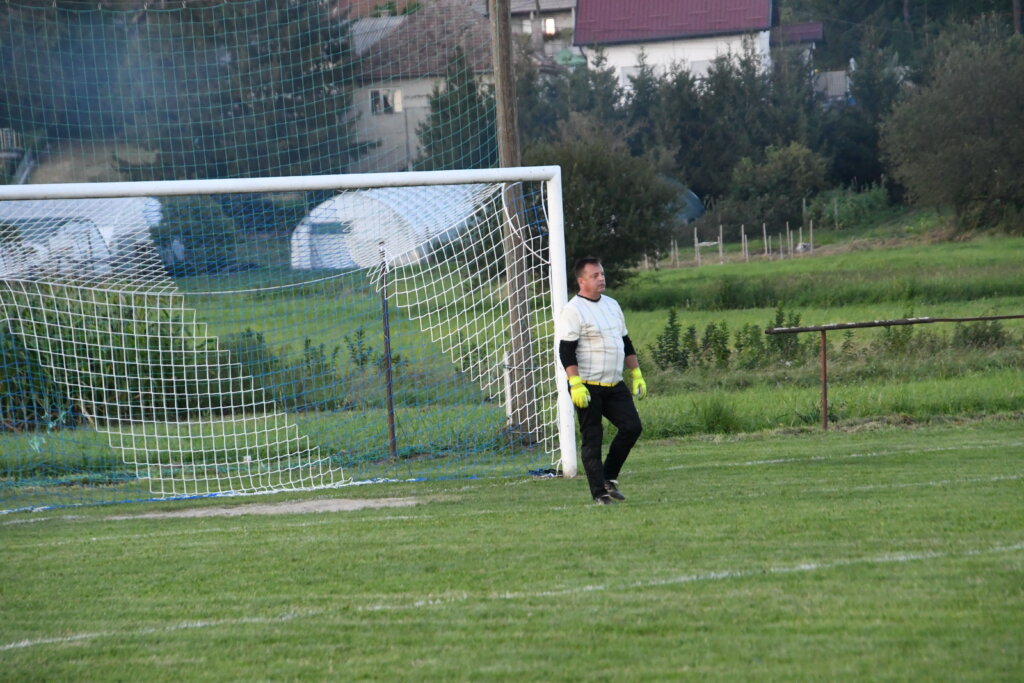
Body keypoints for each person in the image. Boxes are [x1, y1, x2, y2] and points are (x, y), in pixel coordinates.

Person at [557, 257, 646, 505]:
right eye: (595, 275)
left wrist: (636, 373)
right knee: (592, 438)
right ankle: (599, 493)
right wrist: (575, 382)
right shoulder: (573, 310)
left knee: (632, 427)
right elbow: (566, 351)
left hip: (613, 383)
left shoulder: (612, 305)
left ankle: (609, 477)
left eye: (602, 274)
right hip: (587, 385)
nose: (601, 278)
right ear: (581, 280)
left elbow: (625, 342)